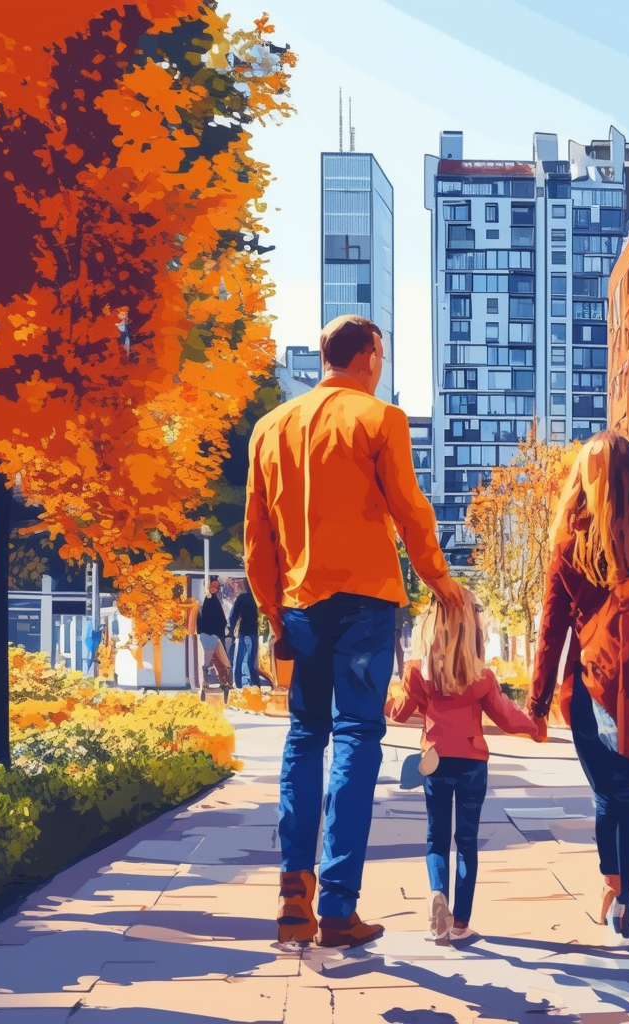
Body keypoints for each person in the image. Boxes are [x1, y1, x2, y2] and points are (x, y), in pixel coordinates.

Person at [245, 314, 462, 949]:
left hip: (301, 604)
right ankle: (338, 907)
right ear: (368, 356)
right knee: (357, 740)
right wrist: (439, 578)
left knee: (303, 735)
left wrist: (272, 608)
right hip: (366, 603)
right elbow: (410, 507)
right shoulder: (379, 419)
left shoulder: (269, 428)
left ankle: (294, 891)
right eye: (381, 355)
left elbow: (257, 535)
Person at [528, 432, 629, 940]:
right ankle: (626, 900)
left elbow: (551, 631)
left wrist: (536, 704)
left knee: (606, 797)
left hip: (588, 688)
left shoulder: (567, 544)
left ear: (584, 478)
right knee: (627, 794)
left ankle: (611, 884)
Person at [386, 587, 540, 943]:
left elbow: (400, 712)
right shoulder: (481, 677)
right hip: (472, 763)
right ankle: (460, 924)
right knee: (466, 842)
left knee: (436, 840)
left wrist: (378, 703)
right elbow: (507, 717)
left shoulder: (418, 675)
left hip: (434, 760)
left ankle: (438, 895)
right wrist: (535, 728)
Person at [196, 577, 232, 696]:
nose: (215, 588)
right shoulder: (210, 600)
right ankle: (223, 682)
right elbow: (217, 618)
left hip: (210, 634)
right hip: (213, 634)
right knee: (217, 659)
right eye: (213, 586)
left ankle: (220, 682)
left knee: (214, 660)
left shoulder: (209, 600)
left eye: (216, 587)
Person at [229, 581, 262, 689]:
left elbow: (233, 615)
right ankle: (254, 681)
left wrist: (232, 630)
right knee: (252, 658)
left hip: (244, 630)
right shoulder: (258, 597)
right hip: (253, 630)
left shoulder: (242, 598)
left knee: (240, 657)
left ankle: (238, 682)